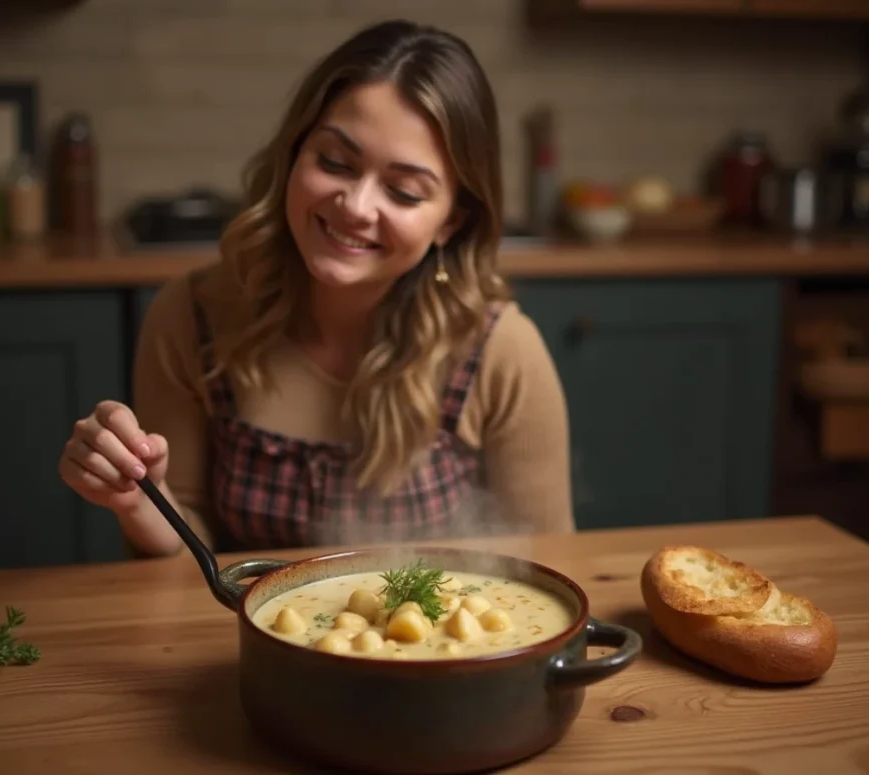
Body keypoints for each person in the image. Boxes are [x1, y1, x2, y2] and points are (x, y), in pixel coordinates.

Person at [58, 18, 573, 557]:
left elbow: (546, 568)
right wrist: (140, 496)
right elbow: (185, 562)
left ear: (452, 221)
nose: (355, 207)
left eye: (403, 192)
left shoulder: (502, 352)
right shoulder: (192, 316)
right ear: (294, 154)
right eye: (334, 162)